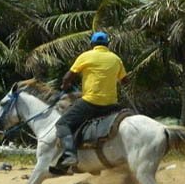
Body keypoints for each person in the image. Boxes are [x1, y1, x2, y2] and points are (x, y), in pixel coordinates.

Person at [49, 31, 127, 175]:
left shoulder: (86, 56)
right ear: (107, 44)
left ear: (92, 44)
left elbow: (68, 77)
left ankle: (70, 155)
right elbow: (124, 80)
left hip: (91, 102)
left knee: (63, 123)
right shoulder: (116, 59)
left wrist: (65, 85)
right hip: (111, 105)